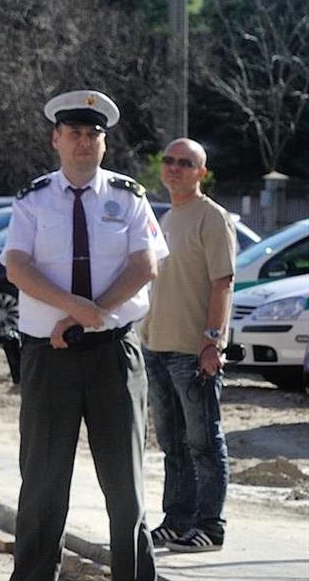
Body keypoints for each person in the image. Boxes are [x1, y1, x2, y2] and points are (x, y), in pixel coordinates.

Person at [0, 90, 168, 581]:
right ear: (56, 139)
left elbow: (146, 265)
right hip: (48, 358)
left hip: (114, 353)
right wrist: (74, 308)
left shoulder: (128, 196)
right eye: (74, 133)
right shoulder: (32, 199)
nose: (83, 142)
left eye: (93, 135)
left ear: (104, 144)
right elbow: (17, 267)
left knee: (125, 486)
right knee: (43, 483)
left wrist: (90, 316)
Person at [140, 138, 234, 553]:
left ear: (202, 172)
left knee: (203, 443)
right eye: (170, 161)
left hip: (194, 352)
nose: (175, 168)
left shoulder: (212, 218)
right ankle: (177, 521)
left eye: (186, 163)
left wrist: (213, 341)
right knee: (172, 445)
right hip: (157, 347)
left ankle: (210, 527)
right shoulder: (165, 217)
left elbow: (223, 282)